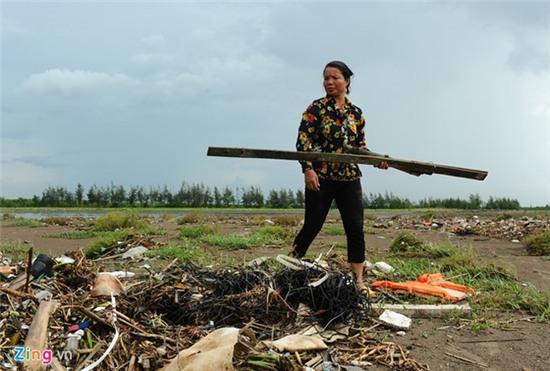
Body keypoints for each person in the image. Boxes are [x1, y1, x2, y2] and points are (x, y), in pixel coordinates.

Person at [290, 61, 388, 294]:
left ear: (347, 81)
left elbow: (360, 147)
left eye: (335, 78)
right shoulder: (315, 109)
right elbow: (303, 142)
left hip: (349, 179)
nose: (330, 82)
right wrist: (308, 169)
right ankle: (291, 264)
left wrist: (377, 159)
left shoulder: (356, 114)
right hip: (321, 177)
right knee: (313, 224)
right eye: (326, 78)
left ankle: (359, 281)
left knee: (355, 227)